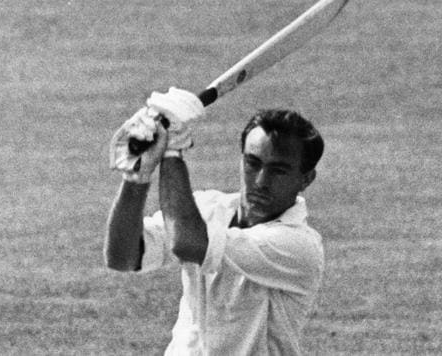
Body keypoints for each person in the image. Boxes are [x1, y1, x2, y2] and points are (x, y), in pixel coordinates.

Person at [104, 87, 325, 355]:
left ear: (306, 179)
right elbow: (122, 256)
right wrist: (136, 177)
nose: (260, 181)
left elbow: (187, 243)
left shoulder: (296, 245)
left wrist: (172, 152)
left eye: (278, 170)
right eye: (252, 163)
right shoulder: (206, 208)